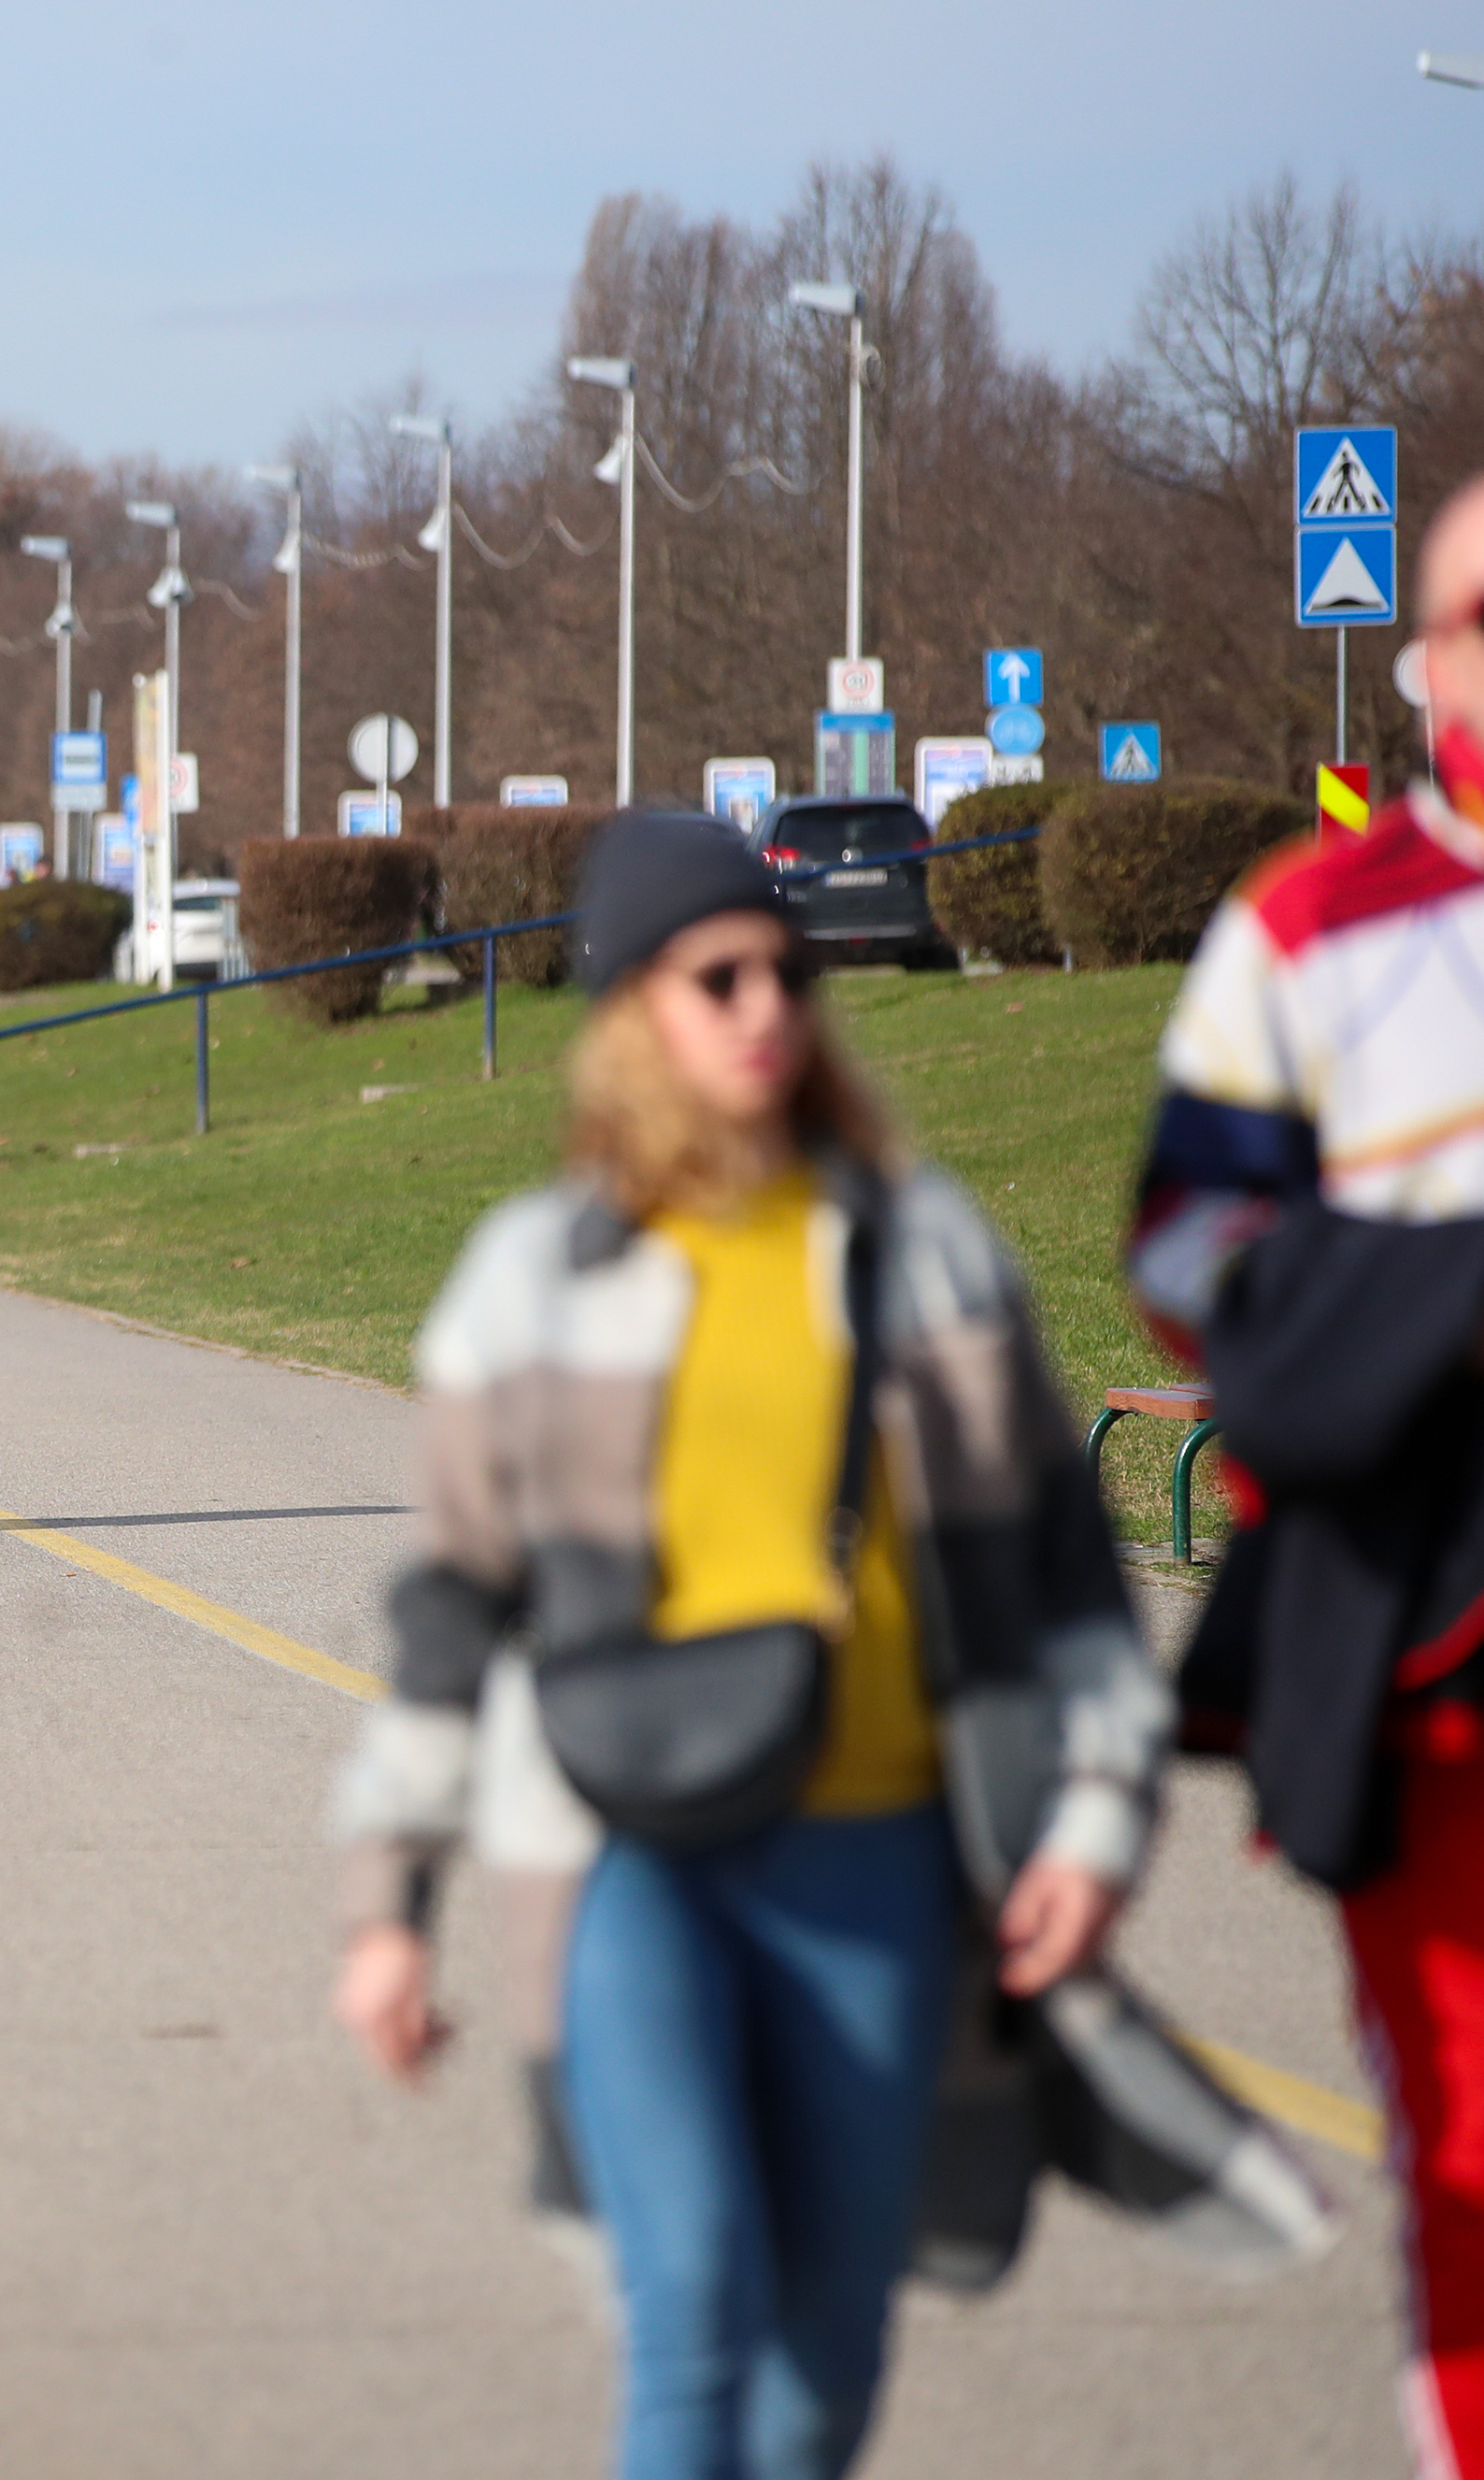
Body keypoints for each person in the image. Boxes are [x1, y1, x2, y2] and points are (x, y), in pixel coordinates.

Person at [328, 815, 1222, 2480]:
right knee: (694, 2306)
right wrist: (390, 1910)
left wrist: (1097, 1826)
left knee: (826, 2352)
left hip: (875, 1859)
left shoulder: (921, 1251)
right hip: (623, 1860)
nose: (765, 1006)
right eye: (715, 974)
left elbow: (1071, 1589)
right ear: (629, 1013)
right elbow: (447, 1609)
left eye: (787, 972)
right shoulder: (533, 1281)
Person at [1134, 471, 1484, 2479]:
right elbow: (1181, 1255)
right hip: (1450, 1632)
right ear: (1434, 655)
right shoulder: (1309, 924)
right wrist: (1458, 1304)